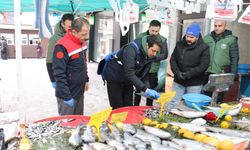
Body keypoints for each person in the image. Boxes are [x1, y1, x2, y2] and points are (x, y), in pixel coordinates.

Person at [102, 35, 162, 109]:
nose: (154, 54)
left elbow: (144, 74)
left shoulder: (149, 56)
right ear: (147, 45)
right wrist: (146, 89)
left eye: (157, 52)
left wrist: (148, 89)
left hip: (128, 80)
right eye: (153, 50)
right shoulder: (131, 49)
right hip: (115, 77)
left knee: (128, 107)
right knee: (118, 108)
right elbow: (129, 73)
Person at [52, 17, 90, 115]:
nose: (87, 37)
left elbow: (83, 63)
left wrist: (86, 79)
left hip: (79, 92)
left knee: (78, 124)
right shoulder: (62, 46)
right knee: (67, 126)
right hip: (67, 94)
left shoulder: (82, 42)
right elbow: (58, 73)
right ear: (74, 32)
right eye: (84, 34)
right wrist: (67, 96)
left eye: (88, 33)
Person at [168, 23, 210, 109]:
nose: (188, 39)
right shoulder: (179, 44)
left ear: (197, 37)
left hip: (195, 83)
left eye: (191, 37)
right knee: (173, 101)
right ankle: (168, 117)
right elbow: (173, 60)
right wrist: (177, 73)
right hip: (178, 80)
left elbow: (203, 66)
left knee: (191, 105)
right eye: (187, 36)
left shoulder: (204, 47)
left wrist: (188, 74)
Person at [134, 20, 168, 106]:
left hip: (153, 69)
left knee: (151, 91)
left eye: (156, 31)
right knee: (138, 90)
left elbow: (165, 55)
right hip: (140, 68)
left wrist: (153, 57)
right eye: (152, 30)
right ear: (148, 27)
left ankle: (148, 108)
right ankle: (135, 107)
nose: (154, 33)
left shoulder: (162, 40)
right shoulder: (141, 37)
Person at [203, 20, 239, 102]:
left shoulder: (231, 39)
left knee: (218, 97)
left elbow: (234, 58)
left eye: (220, 26)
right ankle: (206, 114)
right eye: (215, 26)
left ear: (225, 26)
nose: (217, 28)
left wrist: (233, 74)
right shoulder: (207, 38)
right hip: (207, 72)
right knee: (205, 96)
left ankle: (216, 114)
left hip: (221, 73)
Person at [46, 13, 74, 89]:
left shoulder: (73, 36)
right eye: (69, 27)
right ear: (62, 24)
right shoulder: (54, 39)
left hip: (72, 77)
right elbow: (49, 61)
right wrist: (52, 80)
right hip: (60, 78)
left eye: (72, 27)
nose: (70, 29)